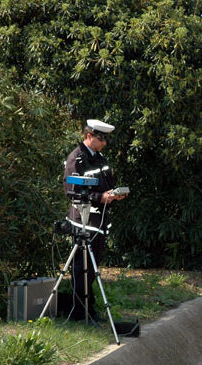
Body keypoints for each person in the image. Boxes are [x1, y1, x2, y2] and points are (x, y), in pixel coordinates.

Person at [63, 119, 126, 321]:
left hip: (98, 222)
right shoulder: (76, 159)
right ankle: (80, 312)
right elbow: (72, 192)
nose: (104, 143)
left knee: (92, 269)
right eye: (101, 138)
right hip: (83, 221)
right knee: (82, 268)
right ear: (88, 135)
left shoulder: (99, 158)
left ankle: (89, 310)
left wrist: (113, 196)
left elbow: (106, 184)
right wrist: (101, 197)